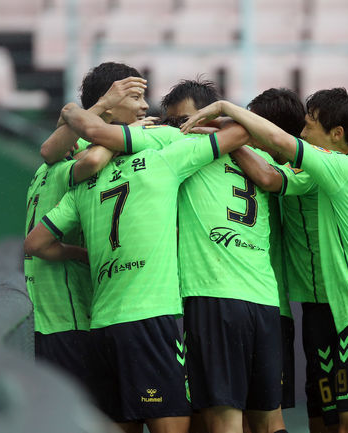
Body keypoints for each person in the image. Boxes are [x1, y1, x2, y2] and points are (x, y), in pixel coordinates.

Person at [181, 88, 348, 433]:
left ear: (337, 133)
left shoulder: (330, 167)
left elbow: (272, 170)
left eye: (309, 125)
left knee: (345, 427)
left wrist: (226, 121)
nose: (302, 133)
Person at [24, 102, 250, 433]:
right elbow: (240, 133)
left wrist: (82, 254)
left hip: (101, 326)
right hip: (150, 318)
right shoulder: (163, 161)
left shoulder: (84, 186)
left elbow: (34, 243)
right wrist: (207, 119)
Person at [175, 88, 310, 433]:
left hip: (224, 296)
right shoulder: (290, 167)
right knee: (265, 417)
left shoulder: (270, 167)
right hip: (269, 304)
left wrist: (225, 133)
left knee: (223, 415)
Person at [24, 71, 148, 398]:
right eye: (135, 97)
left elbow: (51, 146)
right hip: (69, 314)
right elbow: (84, 156)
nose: (145, 107)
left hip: (47, 315)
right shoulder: (77, 161)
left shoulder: (48, 164)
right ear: (108, 107)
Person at [229, 103, 340, 432]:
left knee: (342, 417)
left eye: (254, 130)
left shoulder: (310, 166)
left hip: (336, 306)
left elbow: (268, 177)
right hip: (306, 306)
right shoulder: (267, 167)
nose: (250, 138)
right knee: (315, 411)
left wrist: (225, 135)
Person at [40, 61, 157, 164]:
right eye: (136, 97)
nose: (145, 105)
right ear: (110, 103)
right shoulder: (76, 140)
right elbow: (48, 153)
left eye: (143, 97)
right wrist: (103, 105)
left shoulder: (151, 135)